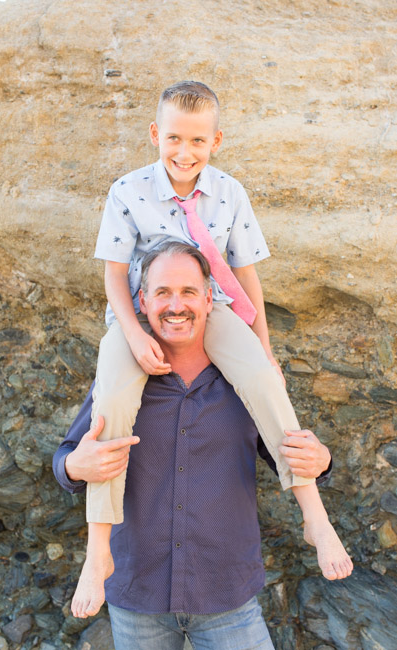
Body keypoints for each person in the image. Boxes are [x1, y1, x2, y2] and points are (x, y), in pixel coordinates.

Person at [77, 80, 349, 617]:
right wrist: (132, 333)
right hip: (141, 310)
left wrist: (265, 352)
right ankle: (98, 549)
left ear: (216, 141)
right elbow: (113, 276)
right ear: (156, 134)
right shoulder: (127, 191)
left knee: (266, 384)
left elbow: (248, 280)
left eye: (198, 141)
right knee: (110, 405)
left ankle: (315, 515)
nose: (184, 152)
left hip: (210, 309)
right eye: (174, 138)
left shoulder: (230, 192)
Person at [53, 243, 353, 639]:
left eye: (188, 292)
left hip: (227, 596)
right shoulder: (118, 381)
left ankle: (318, 525)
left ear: (210, 299)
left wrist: (323, 459)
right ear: (142, 301)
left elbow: (284, 446)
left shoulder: (244, 380)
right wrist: (75, 465)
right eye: (162, 292)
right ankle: (98, 558)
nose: (176, 305)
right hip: (138, 594)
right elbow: (65, 459)